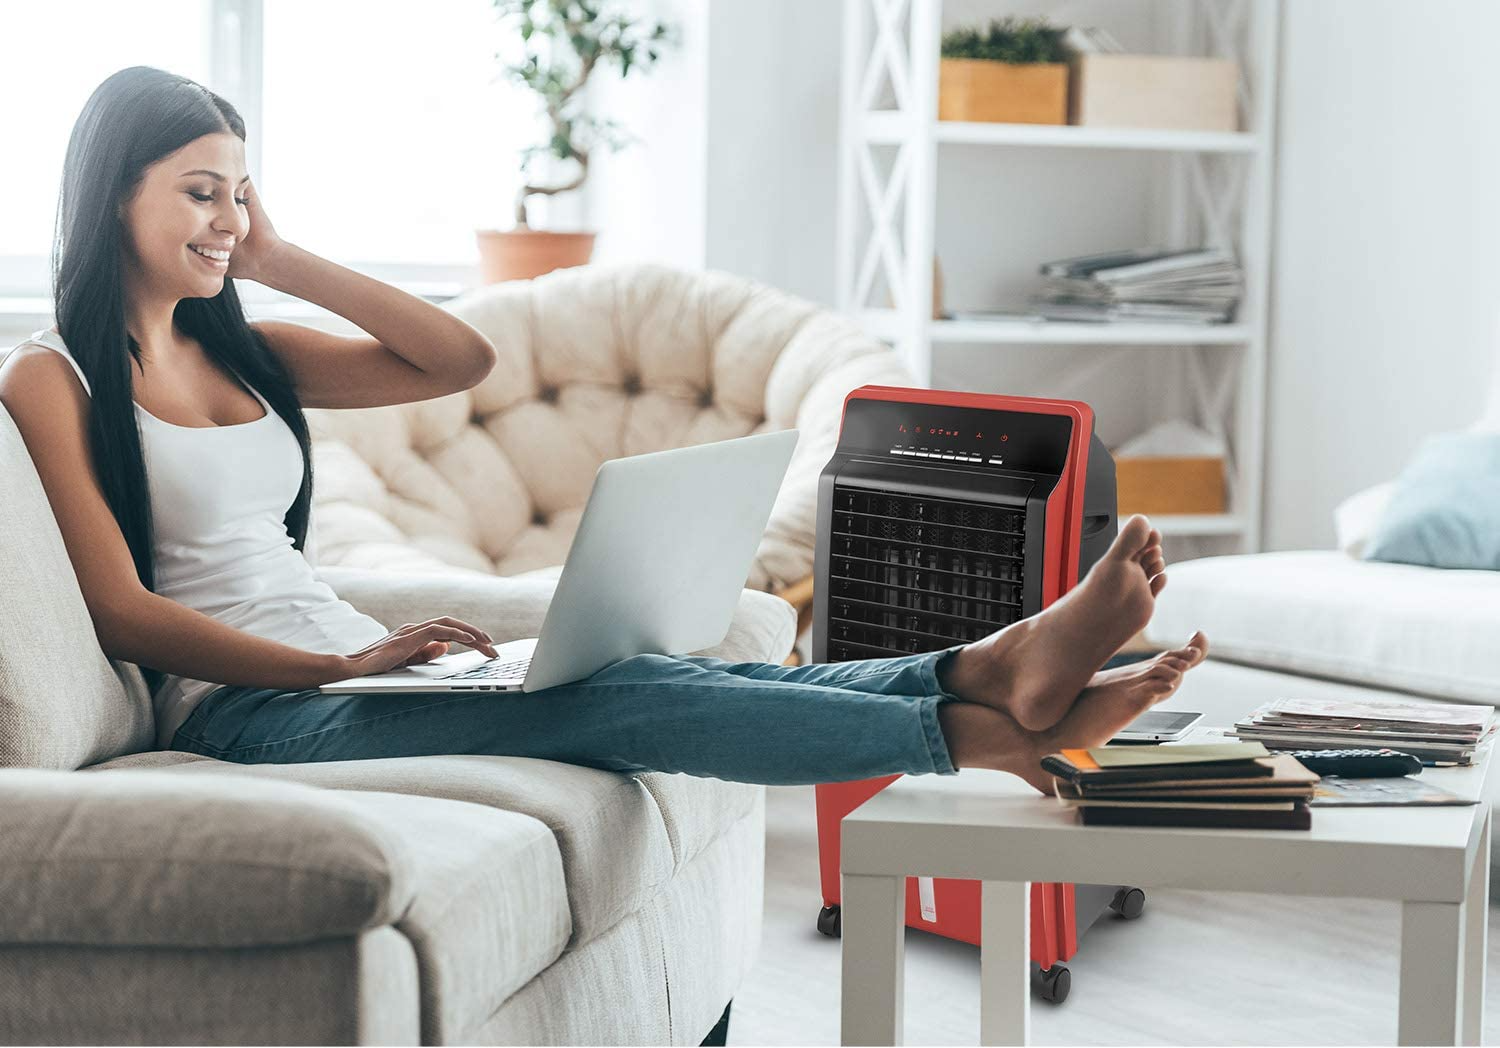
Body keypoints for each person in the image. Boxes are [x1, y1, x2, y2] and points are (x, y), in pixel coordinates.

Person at [0, 67, 1208, 794]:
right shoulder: (53, 380)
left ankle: (987, 670)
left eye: (241, 189)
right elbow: (119, 610)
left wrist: (275, 256)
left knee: (651, 669)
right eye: (199, 192)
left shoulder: (241, 348)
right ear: (114, 191)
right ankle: (979, 720)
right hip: (247, 711)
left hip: (356, 670)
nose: (226, 219)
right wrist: (338, 663)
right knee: (615, 699)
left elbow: (456, 358)